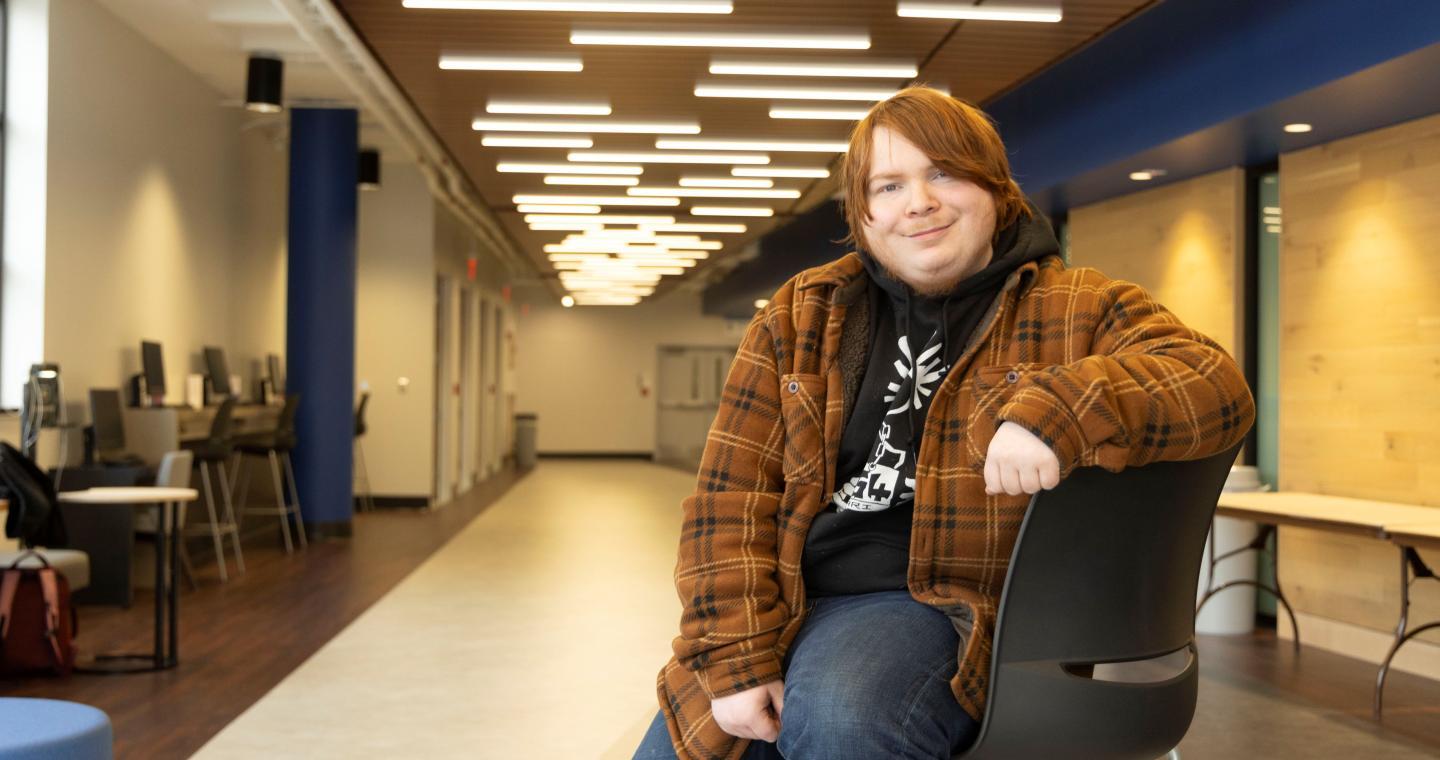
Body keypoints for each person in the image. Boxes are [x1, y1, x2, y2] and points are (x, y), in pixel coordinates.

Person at [633, 86, 1255, 760]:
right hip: (786, 600)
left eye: (944, 173)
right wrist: (735, 655)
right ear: (863, 212)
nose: (919, 202)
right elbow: (729, 500)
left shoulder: (1079, 306)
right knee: (692, 742)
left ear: (996, 190)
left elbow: (1211, 383)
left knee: (841, 716)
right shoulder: (801, 315)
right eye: (889, 184)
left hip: (937, 608)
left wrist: (1061, 409)